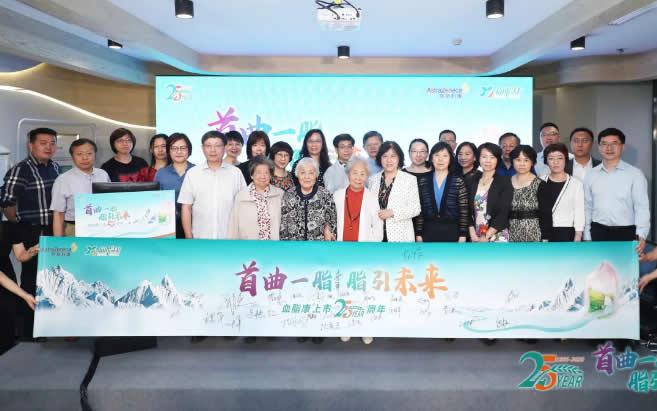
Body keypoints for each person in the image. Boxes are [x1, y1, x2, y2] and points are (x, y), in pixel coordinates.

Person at [0, 127, 60, 337]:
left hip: (53, 229)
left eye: (52, 143)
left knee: (53, 278)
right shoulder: (21, 169)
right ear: (31, 145)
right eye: (43, 143)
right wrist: (17, 224)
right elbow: (7, 201)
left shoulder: (55, 167)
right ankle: (29, 332)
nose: (48, 147)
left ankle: (49, 327)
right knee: (32, 279)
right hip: (31, 230)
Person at [584, 128, 650, 253]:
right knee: (598, 264)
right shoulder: (591, 174)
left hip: (626, 232)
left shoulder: (635, 174)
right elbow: (587, 206)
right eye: (604, 144)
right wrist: (587, 235)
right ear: (599, 148)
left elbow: (641, 207)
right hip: (598, 231)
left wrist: (641, 234)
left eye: (614, 143)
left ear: (622, 147)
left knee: (625, 265)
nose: (609, 148)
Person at [178, 131, 246, 239]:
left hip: (230, 238)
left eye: (217, 146)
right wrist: (188, 236)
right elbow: (186, 207)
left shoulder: (236, 173)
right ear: (202, 148)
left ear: (224, 148)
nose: (212, 150)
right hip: (200, 238)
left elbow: (243, 205)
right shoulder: (193, 173)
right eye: (208, 146)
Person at [51, 139, 110, 237]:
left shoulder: (103, 174)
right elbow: (58, 213)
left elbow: (111, 201)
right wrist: (58, 241)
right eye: (79, 154)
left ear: (95, 155)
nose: (85, 157)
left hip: (101, 227)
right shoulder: (63, 179)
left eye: (89, 153)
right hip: (73, 229)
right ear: (72, 156)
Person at [367, 141, 421, 242]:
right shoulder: (372, 180)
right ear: (380, 158)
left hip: (401, 236)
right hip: (376, 237)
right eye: (385, 156)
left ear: (399, 158)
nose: (389, 160)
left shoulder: (409, 179)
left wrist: (392, 212)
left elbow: (415, 209)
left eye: (393, 156)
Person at [415, 142, 469, 243]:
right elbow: (419, 210)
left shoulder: (458, 181)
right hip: (428, 231)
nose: (440, 159)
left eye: (445, 156)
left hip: (452, 232)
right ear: (431, 158)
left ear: (450, 159)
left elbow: (464, 211)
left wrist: (463, 235)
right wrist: (418, 233)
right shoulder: (423, 181)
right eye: (437, 155)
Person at [280, 158, 337, 241]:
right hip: (294, 245)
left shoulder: (325, 195)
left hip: (319, 245)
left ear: (316, 175)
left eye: (311, 173)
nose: (307, 177)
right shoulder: (289, 195)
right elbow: (283, 225)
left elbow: (332, 220)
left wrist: (329, 230)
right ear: (297, 174)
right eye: (303, 172)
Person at [228, 156, 284, 240]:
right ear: (252, 175)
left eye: (266, 173)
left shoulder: (279, 194)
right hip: (248, 246)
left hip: (273, 245)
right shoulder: (241, 196)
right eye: (258, 172)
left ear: (270, 175)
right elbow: (234, 225)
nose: (262, 176)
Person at [468, 143, 512, 243]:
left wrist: (487, 236)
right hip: (475, 235)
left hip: (497, 234)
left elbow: (504, 212)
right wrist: (472, 234)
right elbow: (466, 210)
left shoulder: (504, 182)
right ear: (478, 159)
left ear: (497, 160)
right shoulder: (471, 180)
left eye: (492, 157)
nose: (488, 161)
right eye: (484, 157)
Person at [154, 133, 195, 239]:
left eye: (183, 148)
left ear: (189, 150)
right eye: (174, 148)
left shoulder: (197, 171)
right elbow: (156, 200)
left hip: (195, 223)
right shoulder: (161, 173)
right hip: (168, 225)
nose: (179, 152)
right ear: (168, 151)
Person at [507, 145, 551, 242]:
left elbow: (546, 214)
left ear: (532, 162)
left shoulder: (541, 184)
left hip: (534, 233)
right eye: (518, 160)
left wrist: (545, 237)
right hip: (509, 234)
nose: (522, 164)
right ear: (512, 161)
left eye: (526, 160)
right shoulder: (506, 183)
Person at [334, 158, 383, 242]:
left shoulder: (372, 198)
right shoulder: (337, 195)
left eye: (362, 174)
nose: (358, 178)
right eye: (355, 173)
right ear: (348, 174)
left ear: (367, 176)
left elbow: (378, 227)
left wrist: (370, 245)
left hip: (363, 247)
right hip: (340, 246)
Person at [542, 143, 584, 242]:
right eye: (551, 158)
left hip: (567, 231)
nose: (555, 162)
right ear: (546, 161)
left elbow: (579, 211)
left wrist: (578, 235)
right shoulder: (540, 181)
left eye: (560, 158)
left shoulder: (576, 183)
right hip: (543, 231)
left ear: (566, 160)